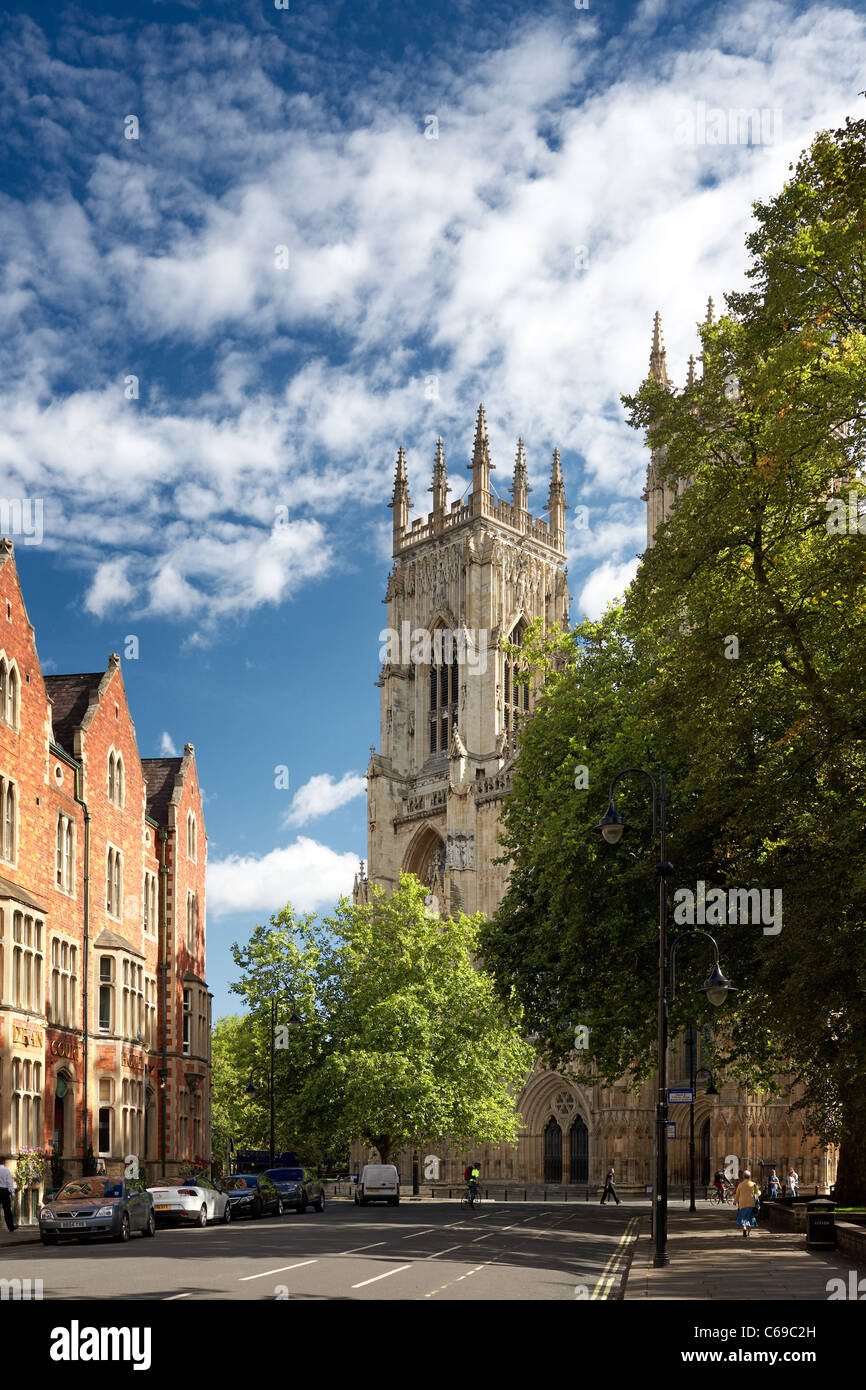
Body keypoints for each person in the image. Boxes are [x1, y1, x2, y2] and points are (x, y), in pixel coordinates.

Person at [734, 1169, 760, 1238]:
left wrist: (735, 1201)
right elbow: (758, 1193)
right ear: (750, 1176)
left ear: (743, 1176)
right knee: (750, 1218)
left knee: (743, 1217)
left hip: (742, 1204)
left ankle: (744, 1228)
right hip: (751, 1204)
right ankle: (748, 1233)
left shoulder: (740, 1185)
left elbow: (737, 1194)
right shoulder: (753, 1184)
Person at [0, 1157, 16, 1233]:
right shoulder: (6, 1170)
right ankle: (11, 1227)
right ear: (4, 1163)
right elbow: (9, 1182)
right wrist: (12, 1193)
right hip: (4, 1191)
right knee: (7, 1210)